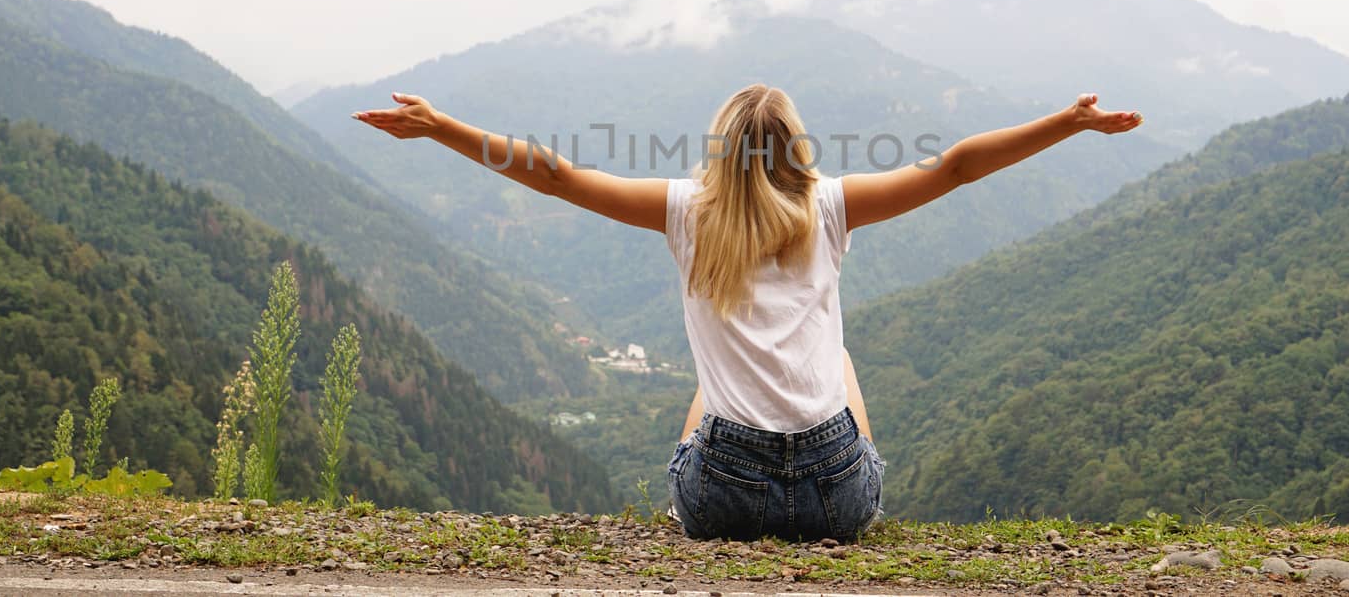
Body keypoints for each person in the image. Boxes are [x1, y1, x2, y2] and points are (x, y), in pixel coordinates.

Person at [354, 85, 1141, 541]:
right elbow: (960, 166)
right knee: (841, 360)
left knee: (707, 385)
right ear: (797, 148)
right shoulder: (833, 205)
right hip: (836, 495)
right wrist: (1068, 123)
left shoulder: (685, 212)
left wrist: (441, 128)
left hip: (721, 497)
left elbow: (557, 176)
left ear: (720, 149)